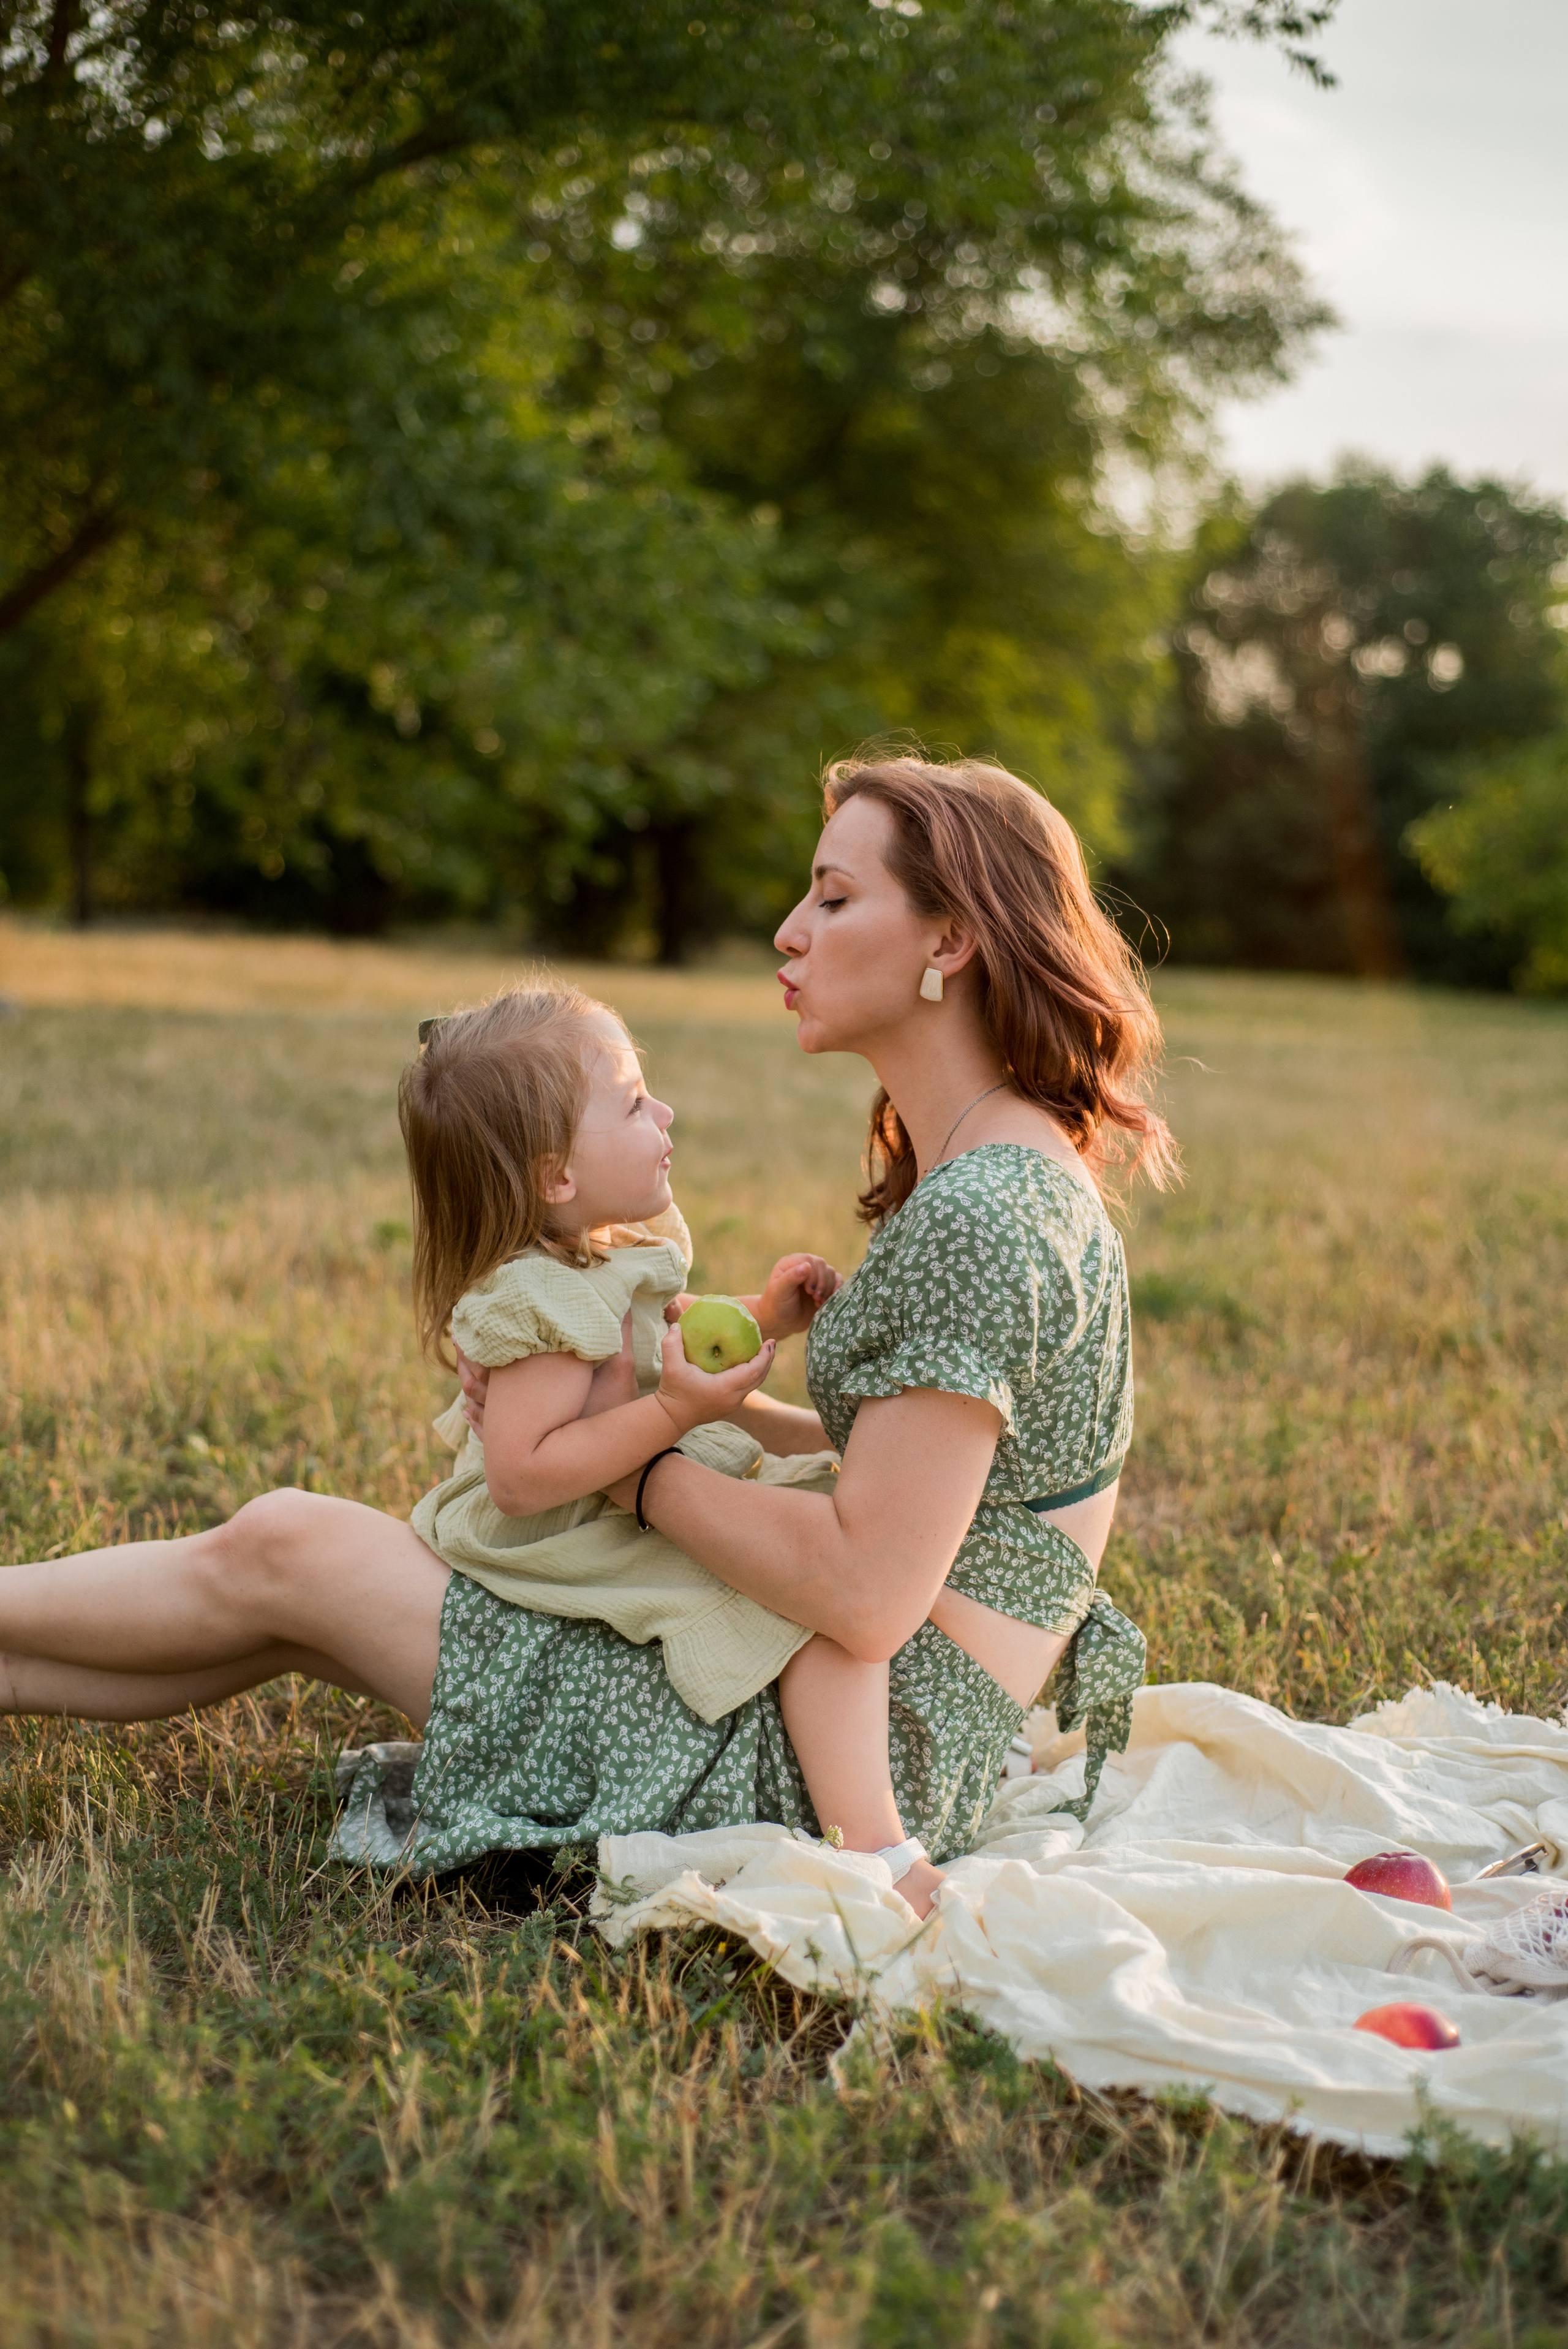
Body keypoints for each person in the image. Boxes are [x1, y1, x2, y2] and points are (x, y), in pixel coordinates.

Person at [0, 754, 1171, 1921]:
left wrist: (632, 1458)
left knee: (288, 1550)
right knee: (285, 1597)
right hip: (855, 1708)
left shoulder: (985, 1210)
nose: (789, 929)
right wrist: (688, 1404)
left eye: (833, 895)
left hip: (829, 1758)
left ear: (949, 939)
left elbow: (866, 1594)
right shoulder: (1000, 1165)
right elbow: (924, 1473)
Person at [391, 978, 929, 1891]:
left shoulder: (608, 1243)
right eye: (637, 1102)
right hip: (568, 1534)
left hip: (640, 1478)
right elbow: (524, 1476)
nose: (667, 1110)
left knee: (821, 1515)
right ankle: (876, 1847)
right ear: (557, 1173)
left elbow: (660, 1360)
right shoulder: (540, 1300)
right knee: (796, 1608)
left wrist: (760, 1316)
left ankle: (885, 1810)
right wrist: (676, 1412)